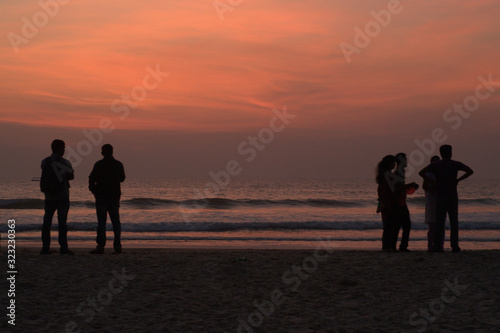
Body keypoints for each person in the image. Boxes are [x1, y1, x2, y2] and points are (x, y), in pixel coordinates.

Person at [419, 145, 473, 252]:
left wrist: (433, 182)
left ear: (441, 153)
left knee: (440, 222)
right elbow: (470, 171)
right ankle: (454, 245)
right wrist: (458, 180)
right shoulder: (455, 164)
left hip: (441, 195)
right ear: (450, 153)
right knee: (454, 222)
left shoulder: (436, 165)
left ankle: (437, 245)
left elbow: (421, 172)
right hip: (452, 195)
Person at [88, 144, 126, 254]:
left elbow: (91, 178)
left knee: (101, 222)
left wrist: (94, 191)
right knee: (115, 222)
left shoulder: (99, 164)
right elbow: (122, 178)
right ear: (112, 152)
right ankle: (117, 246)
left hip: (101, 197)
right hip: (113, 196)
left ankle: (100, 246)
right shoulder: (118, 164)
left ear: (102, 152)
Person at [40, 139, 74, 255]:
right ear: (60, 149)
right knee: (62, 223)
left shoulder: (45, 161)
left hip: (49, 196)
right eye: (63, 148)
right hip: (62, 196)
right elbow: (71, 176)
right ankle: (63, 248)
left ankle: (45, 248)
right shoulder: (65, 163)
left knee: (47, 223)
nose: (64, 150)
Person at [393, 153, 419, 252]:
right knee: (405, 225)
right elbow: (398, 187)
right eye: (405, 159)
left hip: (401, 201)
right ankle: (402, 246)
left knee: (399, 225)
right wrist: (410, 185)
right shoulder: (399, 171)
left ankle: (397, 246)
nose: (407, 160)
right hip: (400, 202)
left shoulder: (400, 171)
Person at [376, 155, 398, 251]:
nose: (394, 164)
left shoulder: (383, 175)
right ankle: (389, 247)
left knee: (387, 227)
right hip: (390, 203)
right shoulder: (389, 176)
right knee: (391, 226)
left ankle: (386, 247)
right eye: (393, 163)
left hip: (385, 203)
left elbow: (381, 191)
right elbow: (392, 191)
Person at [423, 156, 440, 252]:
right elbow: (424, 186)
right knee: (432, 224)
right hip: (431, 199)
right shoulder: (428, 174)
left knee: (438, 223)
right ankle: (430, 245)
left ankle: (437, 244)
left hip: (438, 199)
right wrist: (433, 189)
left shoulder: (439, 174)